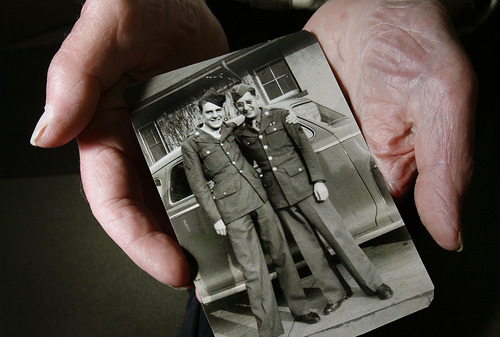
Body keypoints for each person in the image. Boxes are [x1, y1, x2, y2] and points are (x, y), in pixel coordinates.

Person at [29, 0, 480, 334]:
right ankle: (300, 312)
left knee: (327, 244)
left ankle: (358, 290)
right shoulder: (220, 136)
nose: (235, 111)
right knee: (271, 263)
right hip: (255, 180)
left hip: (302, 171)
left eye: (243, 103)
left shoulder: (266, 119)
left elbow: (301, 149)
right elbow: (214, 177)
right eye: (230, 106)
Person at [231, 83, 393, 300]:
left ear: (257, 99)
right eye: (240, 105)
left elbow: (305, 148)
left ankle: (374, 284)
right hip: (280, 198)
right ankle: (336, 294)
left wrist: (318, 180)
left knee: (339, 237)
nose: (245, 108)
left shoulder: (281, 116)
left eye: (248, 102)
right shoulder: (241, 134)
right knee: (310, 250)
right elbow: (247, 164)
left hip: (306, 187)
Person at [181, 89, 320, 336]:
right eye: (208, 112)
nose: (214, 116)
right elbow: (199, 185)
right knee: (254, 270)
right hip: (232, 210)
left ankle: (300, 309)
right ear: (200, 116)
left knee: (282, 255)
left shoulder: (230, 129)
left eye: (217, 111)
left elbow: (255, 120)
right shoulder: (192, 144)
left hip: (259, 198)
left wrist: (290, 116)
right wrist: (216, 217)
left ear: (223, 112)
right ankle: (269, 329)